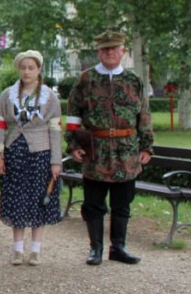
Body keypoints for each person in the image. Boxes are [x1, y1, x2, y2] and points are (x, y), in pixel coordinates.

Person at [65, 30, 154, 266]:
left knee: (122, 203)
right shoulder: (86, 79)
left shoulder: (134, 81)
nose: (110, 53)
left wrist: (147, 147)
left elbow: (143, 116)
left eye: (114, 49)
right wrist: (73, 144)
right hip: (96, 150)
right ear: (98, 52)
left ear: (122, 51)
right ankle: (96, 248)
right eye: (105, 49)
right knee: (93, 203)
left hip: (127, 150)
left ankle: (119, 247)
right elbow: (73, 115)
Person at [0, 50, 63, 266]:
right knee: (17, 197)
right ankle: (17, 249)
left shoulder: (50, 97)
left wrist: (56, 161)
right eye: (23, 68)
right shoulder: (7, 95)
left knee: (38, 198)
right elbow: (0, 124)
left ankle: (35, 249)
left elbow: (55, 130)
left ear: (39, 70)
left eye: (31, 68)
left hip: (41, 151)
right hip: (15, 150)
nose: (26, 72)